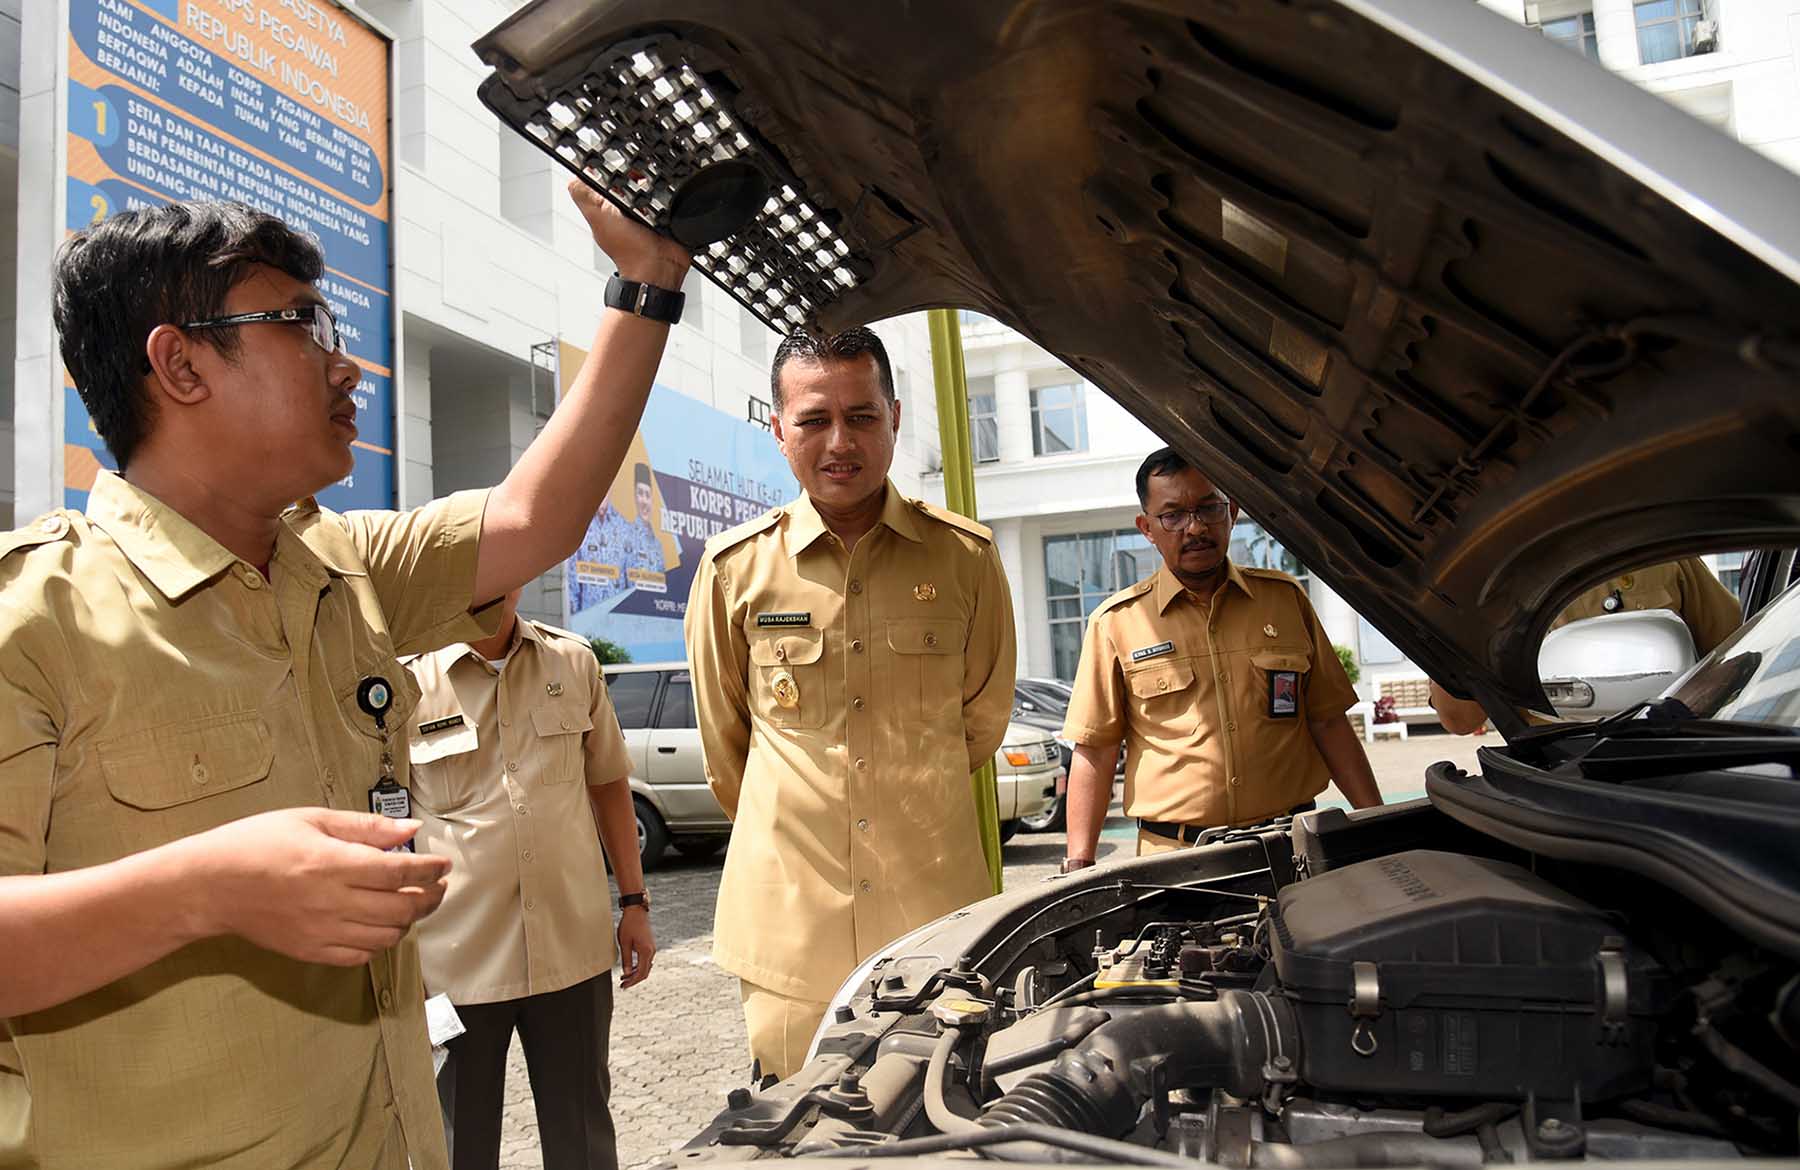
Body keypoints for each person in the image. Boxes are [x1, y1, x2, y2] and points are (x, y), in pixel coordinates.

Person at [0, 184, 689, 1169]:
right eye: (300, 321)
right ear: (179, 363)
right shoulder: (33, 619)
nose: (345, 361)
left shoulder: (342, 567)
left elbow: (538, 518)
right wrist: (205, 890)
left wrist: (648, 282)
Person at [684, 328, 1016, 1081]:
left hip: (934, 915)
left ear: (895, 418)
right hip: (791, 927)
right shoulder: (734, 569)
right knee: (801, 1130)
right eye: (813, 420)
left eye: (862, 417)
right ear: (777, 429)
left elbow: (982, 719)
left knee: (933, 1121)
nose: (840, 442)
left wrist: (904, 791)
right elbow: (726, 746)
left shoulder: (966, 559)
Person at [404, 588, 654, 1170]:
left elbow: (609, 785)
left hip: (572, 951)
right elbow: (380, 818)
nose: (493, 585)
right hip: (454, 965)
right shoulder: (404, 679)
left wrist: (635, 903)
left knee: (584, 1141)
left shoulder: (572, 661)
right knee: (458, 1146)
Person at [1060, 448, 1383, 870]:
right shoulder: (1117, 623)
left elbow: (1327, 721)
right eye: (1172, 515)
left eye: (1208, 508)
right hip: (1177, 864)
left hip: (1292, 849)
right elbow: (1097, 751)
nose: (1195, 527)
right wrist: (1078, 865)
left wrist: (1377, 825)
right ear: (1147, 528)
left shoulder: (1284, 601)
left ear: (1231, 511)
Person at [1429, 557, 1743, 733]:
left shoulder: (1657, 549)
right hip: (1554, 764)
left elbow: (1736, 656)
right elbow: (1459, 719)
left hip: (1665, 746)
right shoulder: (1482, 583)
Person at [569, 462, 665, 613]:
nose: (602, 490)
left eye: (606, 483)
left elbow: (630, 587)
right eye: (597, 483)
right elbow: (572, 590)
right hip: (585, 624)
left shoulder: (624, 529)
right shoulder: (577, 524)